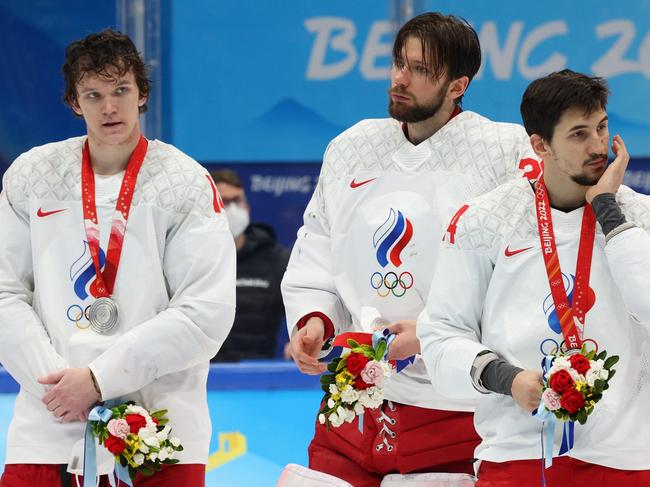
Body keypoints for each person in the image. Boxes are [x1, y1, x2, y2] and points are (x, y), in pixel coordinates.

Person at [281, 12, 542, 487]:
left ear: (458, 85)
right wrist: (314, 317)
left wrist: (431, 334)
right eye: (399, 63)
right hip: (355, 400)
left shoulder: (504, 150)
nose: (400, 79)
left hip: (459, 405)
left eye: (420, 70)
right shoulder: (351, 146)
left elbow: (526, 271)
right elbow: (318, 242)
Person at [0, 29, 235, 486]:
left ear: (142, 94)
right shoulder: (31, 175)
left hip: (159, 431)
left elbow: (205, 313)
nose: (109, 107)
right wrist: (59, 386)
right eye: (94, 94)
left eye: (121, 91)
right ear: (74, 102)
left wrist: (99, 378)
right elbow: (5, 292)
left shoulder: (185, 181)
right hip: (48, 427)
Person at [417, 69, 650, 485]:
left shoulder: (639, 218)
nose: (598, 146)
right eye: (579, 135)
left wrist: (609, 211)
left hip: (623, 458)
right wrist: (506, 380)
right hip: (518, 454)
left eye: (601, 127)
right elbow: (441, 335)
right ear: (539, 145)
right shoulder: (484, 220)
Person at [210, 169, 290, 362]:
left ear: (247, 207)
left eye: (236, 201)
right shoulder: (190, 259)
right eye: (224, 202)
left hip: (259, 376)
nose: (232, 209)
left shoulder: (276, 258)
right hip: (203, 374)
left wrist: (299, 336)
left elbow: (303, 303)